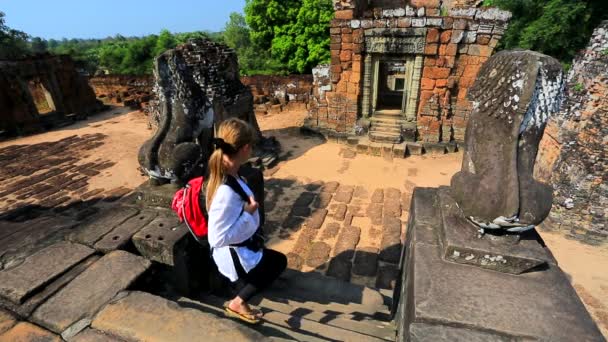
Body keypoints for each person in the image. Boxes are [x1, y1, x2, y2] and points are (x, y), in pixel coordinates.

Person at [206, 118, 287, 324]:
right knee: (278, 262)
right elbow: (216, 238)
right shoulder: (226, 190)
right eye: (250, 146)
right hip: (232, 254)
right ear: (245, 148)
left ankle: (240, 284)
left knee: (274, 258)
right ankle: (237, 302)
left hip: (241, 246)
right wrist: (248, 214)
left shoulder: (231, 174)